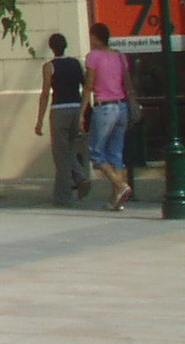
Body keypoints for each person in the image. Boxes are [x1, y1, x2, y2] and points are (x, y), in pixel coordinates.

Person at [83, 22, 138, 211]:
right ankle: (116, 200)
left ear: (95, 37)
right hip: (122, 106)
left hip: (105, 107)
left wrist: (83, 111)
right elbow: (127, 84)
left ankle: (120, 186)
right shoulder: (120, 56)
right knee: (116, 153)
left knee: (96, 152)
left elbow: (89, 85)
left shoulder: (93, 56)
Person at [34, 31, 92, 206]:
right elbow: (86, 86)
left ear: (51, 48)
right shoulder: (76, 63)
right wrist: (83, 111)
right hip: (75, 108)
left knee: (60, 155)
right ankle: (79, 178)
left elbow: (45, 93)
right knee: (70, 149)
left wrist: (39, 119)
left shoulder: (49, 66)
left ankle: (64, 195)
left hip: (59, 109)